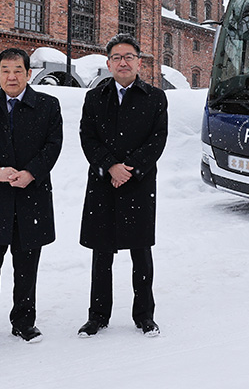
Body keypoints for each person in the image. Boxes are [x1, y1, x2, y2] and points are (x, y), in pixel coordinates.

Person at [0, 48, 63, 346]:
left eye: (18, 70)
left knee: (26, 265)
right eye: (5, 70)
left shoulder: (47, 105)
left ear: (29, 74)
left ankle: (24, 322)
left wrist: (31, 172)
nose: (11, 76)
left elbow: (53, 145)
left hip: (32, 196)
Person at [78, 33, 168, 338]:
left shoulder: (155, 97)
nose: (123, 62)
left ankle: (144, 315)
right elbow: (87, 138)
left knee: (140, 252)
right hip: (103, 183)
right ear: (108, 63)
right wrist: (110, 166)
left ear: (139, 61)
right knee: (101, 253)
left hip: (138, 184)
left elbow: (157, 140)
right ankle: (98, 316)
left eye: (129, 56)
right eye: (116, 57)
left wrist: (130, 168)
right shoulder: (94, 97)